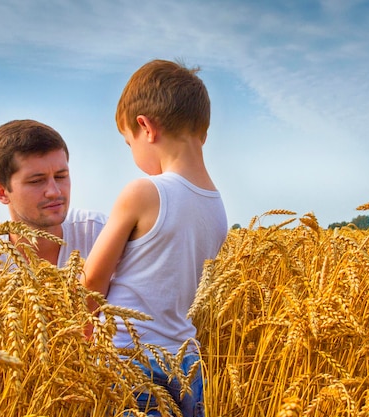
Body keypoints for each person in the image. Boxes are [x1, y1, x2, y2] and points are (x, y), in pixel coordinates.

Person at [81, 59, 228, 417]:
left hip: (131, 360)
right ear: (203, 132)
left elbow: (92, 282)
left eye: (128, 142)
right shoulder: (218, 207)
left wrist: (80, 336)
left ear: (145, 127)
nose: (132, 154)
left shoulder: (143, 192)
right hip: (188, 363)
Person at [0, 119, 107, 274]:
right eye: (36, 181)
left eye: (60, 176)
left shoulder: (99, 232)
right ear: (2, 192)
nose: (54, 191)